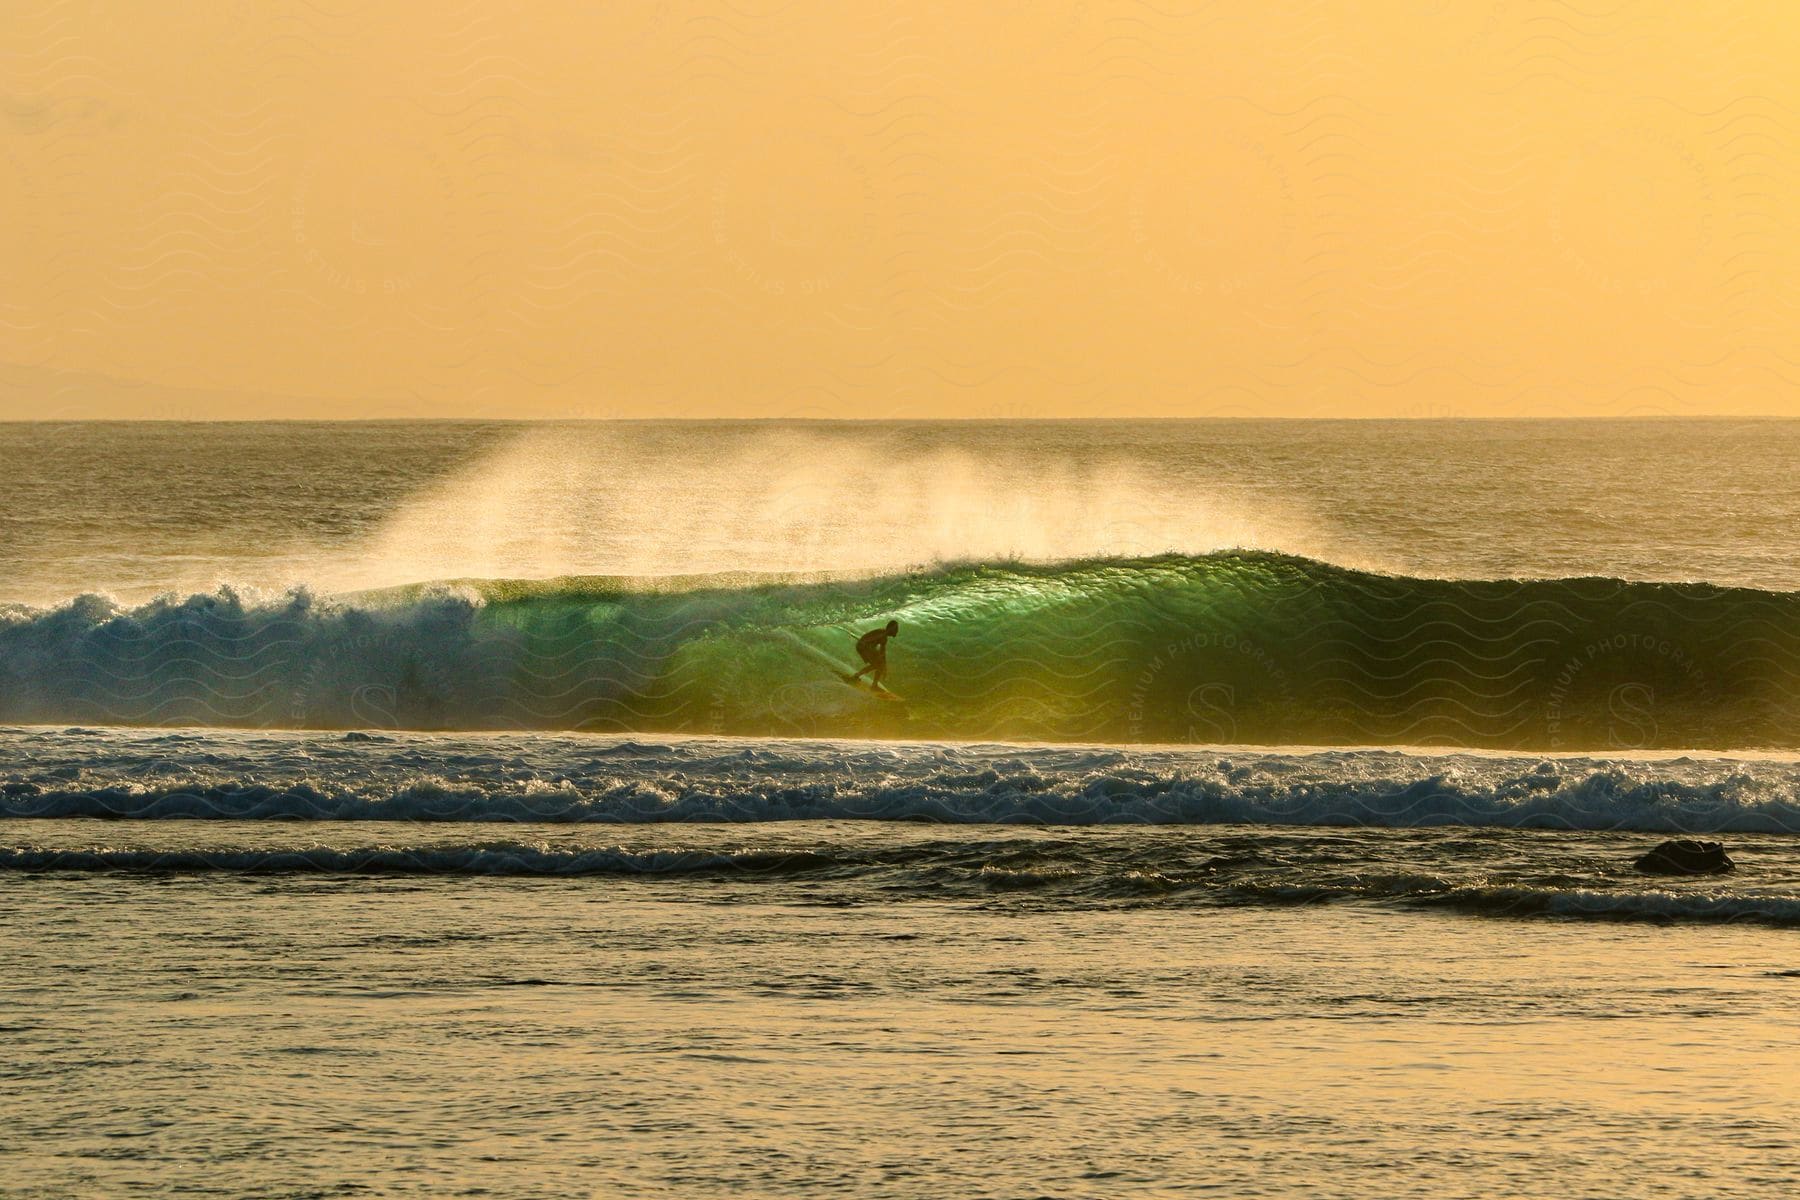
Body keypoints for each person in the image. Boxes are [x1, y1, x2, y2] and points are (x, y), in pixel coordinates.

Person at [847, 619, 899, 691]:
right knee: (877, 664)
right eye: (895, 629)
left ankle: (864, 679)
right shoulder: (882, 633)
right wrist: (870, 649)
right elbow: (866, 640)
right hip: (862, 646)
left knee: (879, 664)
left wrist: (885, 667)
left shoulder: (884, 638)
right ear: (890, 629)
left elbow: (882, 654)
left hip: (866, 647)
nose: (896, 631)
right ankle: (864, 680)